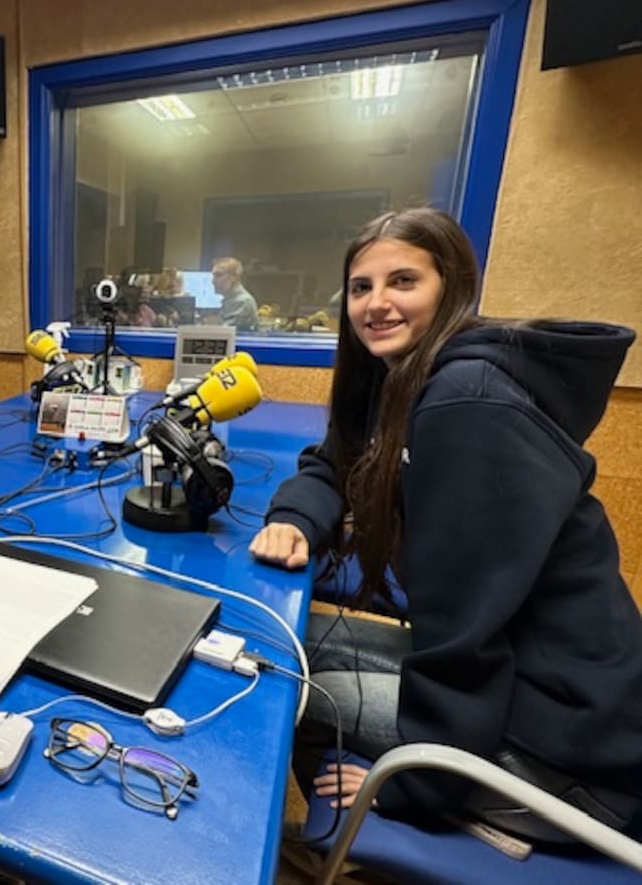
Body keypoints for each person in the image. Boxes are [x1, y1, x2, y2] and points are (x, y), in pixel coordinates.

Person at [248, 207, 642, 842]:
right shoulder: (402, 381)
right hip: (529, 687)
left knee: (299, 693)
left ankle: (354, 843)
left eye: (403, 282)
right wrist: (297, 518)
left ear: (452, 286)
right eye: (361, 287)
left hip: (573, 754)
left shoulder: (467, 404)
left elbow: (466, 635)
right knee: (286, 645)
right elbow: (334, 461)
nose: (376, 303)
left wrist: (412, 783)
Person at [211, 257, 258, 331]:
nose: (213, 281)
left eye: (218, 275)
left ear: (235, 277)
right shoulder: (230, 299)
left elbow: (224, 333)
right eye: (213, 276)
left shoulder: (243, 301)